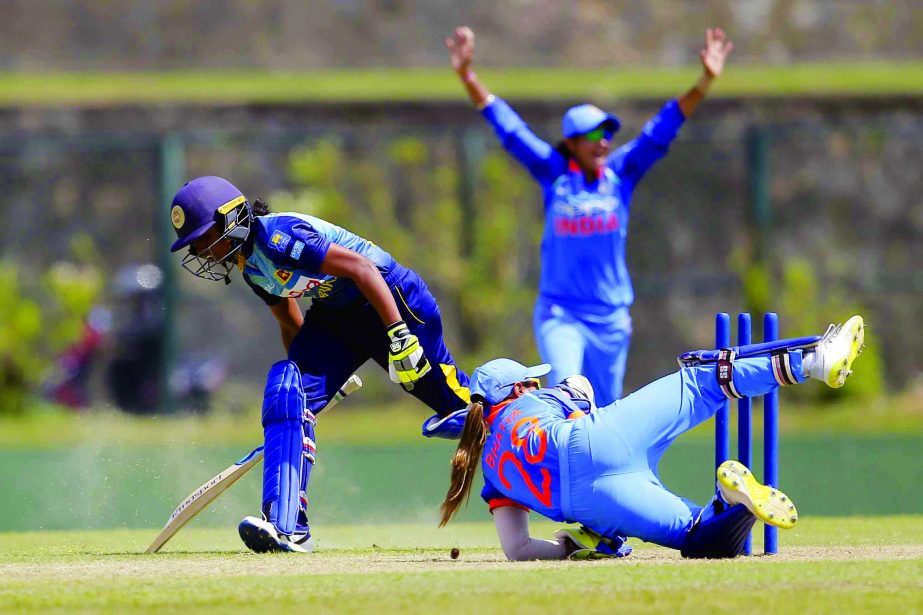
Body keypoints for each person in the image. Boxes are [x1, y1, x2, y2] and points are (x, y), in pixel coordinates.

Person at [169, 175, 471, 552]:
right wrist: (298, 407)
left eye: (202, 238)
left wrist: (398, 333)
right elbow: (290, 322)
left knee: (461, 410)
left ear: (231, 219)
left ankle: (528, 413)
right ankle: (287, 525)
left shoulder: (280, 237)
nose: (200, 251)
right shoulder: (252, 269)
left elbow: (362, 269)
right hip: (336, 318)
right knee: (286, 389)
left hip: (390, 299)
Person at [446, 26, 734, 406]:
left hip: (611, 319)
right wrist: (468, 77)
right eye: (592, 134)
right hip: (561, 314)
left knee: (607, 412)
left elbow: (660, 130)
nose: (602, 141)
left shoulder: (621, 174)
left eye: (606, 133)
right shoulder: (555, 174)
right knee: (572, 398)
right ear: (572, 143)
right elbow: (510, 129)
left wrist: (704, 81)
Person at [439, 315, 865, 560]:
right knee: (704, 381)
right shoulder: (531, 402)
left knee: (697, 539)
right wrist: (573, 384)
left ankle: (734, 505)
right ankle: (813, 360)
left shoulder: (493, 474)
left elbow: (516, 549)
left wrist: (570, 547)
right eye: (528, 382)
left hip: (592, 501)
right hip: (593, 438)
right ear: (516, 390)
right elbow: (582, 390)